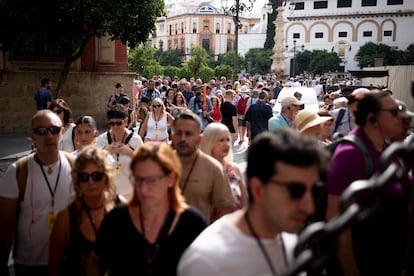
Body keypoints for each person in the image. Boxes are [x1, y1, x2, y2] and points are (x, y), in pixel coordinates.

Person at [178, 128, 330, 275]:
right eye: (295, 191)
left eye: (316, 190)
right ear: (258, 189)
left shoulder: (289, 237)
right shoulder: (206, 262)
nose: (309, 207)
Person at [326, 90, 408, 276]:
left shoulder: (387, 148)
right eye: (394, 112)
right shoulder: (350, 155)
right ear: (373, 119)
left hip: (389, 259)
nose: (401, 116)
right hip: (365, 262)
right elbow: (338, 223)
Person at [95, 142, 207, 275]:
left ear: (171, 178)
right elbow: (96, 265)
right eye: (138, 179)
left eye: (152, 180)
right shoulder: (115, 220)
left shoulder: (192, 224)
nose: (143, 188)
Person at [0, 110, 73, 276]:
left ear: (62, 132)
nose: (49, 136)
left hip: (68, 261)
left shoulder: (74, 166)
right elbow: (5, 226)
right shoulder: (17, 171)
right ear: (32, 136)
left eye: (54, 130)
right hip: (29, 264)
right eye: (41, 131)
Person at [48, 146, 118, 276]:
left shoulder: (122, 209)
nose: (91, 182)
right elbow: (53, 267)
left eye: (96, 176)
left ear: (106, 177)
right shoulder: (66, 218)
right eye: (84, 177)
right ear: (77, 181)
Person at [171, 111, 235, 223]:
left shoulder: (213, 168)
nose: (183, 138)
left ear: (199, 139)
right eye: (179, 133)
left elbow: (225, 208)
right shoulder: (160, 164)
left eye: (188, 134)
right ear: (172, 136)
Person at [96, 104, 143, 199]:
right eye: (112, 124)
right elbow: (94, 164)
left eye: (118, 123)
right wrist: (106, 151)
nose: (115, 127)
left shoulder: (135, 139)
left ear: (125, 121)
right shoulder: (102, 140)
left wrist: (130, 153)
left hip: (131, 192)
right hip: (109, 193)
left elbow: (145, 164)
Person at [200, 123, 248, 210]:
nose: (226, 144)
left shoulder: (235, 170)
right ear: (209, 142)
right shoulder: (201, 171)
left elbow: (244, 204)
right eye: (221, 140)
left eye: (228, 140)